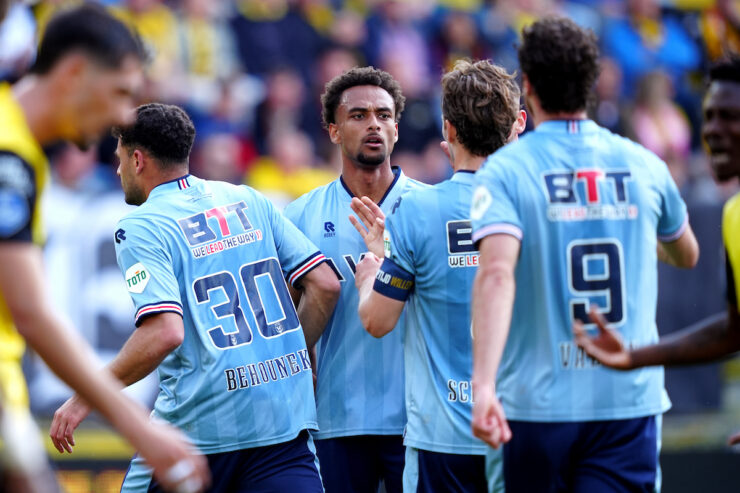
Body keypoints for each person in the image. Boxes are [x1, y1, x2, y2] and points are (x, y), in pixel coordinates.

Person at [49, 103, 340, 492]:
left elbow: (164, 332)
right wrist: (292, 353)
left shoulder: (142, 225)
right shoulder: (247, 198)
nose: (117, 170)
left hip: (199, 431)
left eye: (120, 158)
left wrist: (89, 394)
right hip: (281, 422)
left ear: (138, 160)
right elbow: (324, 283)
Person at [469, 17, 700, 493]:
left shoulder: (506, 170)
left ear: (527, 85)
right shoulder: (644, 163)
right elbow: (687, 254)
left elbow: (496, 275)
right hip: (627, 400)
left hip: (537, 403)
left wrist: (483, 385)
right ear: (593, 83)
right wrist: (627, 227)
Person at [0, 6, 209, 492]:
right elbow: (31, 312)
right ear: (74, 72)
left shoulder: (19, 149)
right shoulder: (9, 159)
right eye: (119, 92)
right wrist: (140, 430)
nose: (123, 115)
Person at [352, 59, 525, 493]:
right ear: (516, 126)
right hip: (526, 431)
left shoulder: (418, 211)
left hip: (444, 442)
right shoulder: (537, 204)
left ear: (448, 130)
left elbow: (377, 321)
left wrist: (371, 274)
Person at [574, 56, 740, 444]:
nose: (712, 130)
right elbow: (734, 330)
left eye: (729, 117)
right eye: (709, 116)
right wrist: (635, 357)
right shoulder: (732, 214)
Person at [283, 66, 424, 493]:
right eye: (358, 115)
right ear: (333, 130)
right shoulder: (300, 216)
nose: (373, 125)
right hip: (335, 419)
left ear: (396, 129)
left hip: (417, 421)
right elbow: (285, 320)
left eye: (383, 115)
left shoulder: (428, 209)